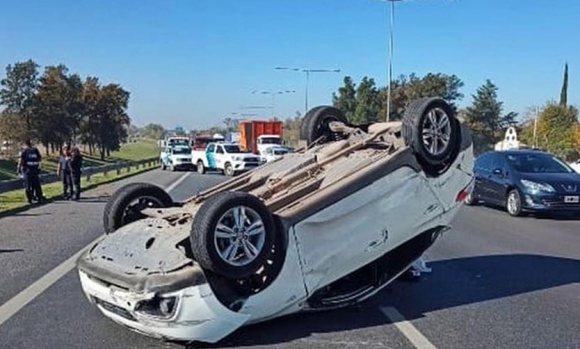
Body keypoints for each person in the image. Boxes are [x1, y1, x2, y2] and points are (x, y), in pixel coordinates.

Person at [17, 139, 45, 204]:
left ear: (25, 144)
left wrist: (18, 169)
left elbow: (21, 161)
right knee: (37, 185)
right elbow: (40, 159)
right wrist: (39, 168)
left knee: (28, 186)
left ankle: (30, 199)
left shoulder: (24, 151)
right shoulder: (35, 150)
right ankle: (39, 198)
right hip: (35, 170)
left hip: (27, 171)